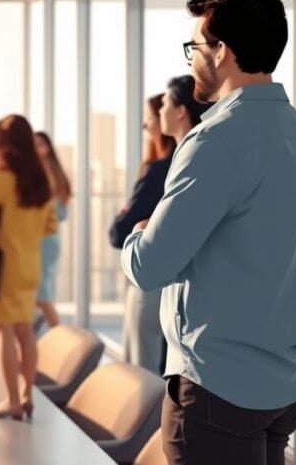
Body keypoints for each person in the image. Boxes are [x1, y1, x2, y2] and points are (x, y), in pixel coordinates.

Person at [121, 0, 296, 465]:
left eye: (195, 48)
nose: (192, 61)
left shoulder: (216, 140)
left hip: (219, 389)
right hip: (285, 386)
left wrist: (138, 234)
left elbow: (149, 267)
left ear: (222, 52)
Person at [112, 84, 206, 375]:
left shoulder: (181, 163)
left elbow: (121, 231)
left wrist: (140, 226)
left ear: (180, 112)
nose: (147, 122)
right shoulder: (187, 159)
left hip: (160, 280)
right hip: (175, 284)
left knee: (146, 367)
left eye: (163, 105)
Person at [0, 115, 57, 421]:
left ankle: (10, 400)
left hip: (2, 268)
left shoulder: (0, 178)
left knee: (2, 332)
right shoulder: (42, 179)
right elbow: (50, 226)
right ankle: (26, 395)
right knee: (25, 332)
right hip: (29, 266)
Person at [32, 131, 70, 328]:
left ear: (46, 148)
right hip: (47, 240)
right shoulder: (53, 172)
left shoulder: (44, 174)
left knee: (41, 294)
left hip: (43, 241)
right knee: (39, 293)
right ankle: (36, 338)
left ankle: (59, 333)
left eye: (38, 144)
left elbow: (56, 211)